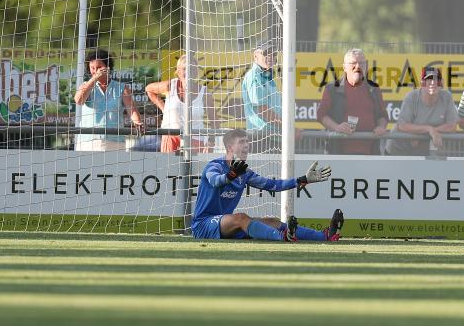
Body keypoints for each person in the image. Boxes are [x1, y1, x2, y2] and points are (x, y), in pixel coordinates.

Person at [190, 128, 344, 242]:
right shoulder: (214, 166)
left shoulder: (244, 173)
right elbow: (215, 180)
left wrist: (302, 179)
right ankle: (283, 237)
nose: (247, 145)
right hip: (203, 225)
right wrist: (231, 175)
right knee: (241, 218)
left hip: (224, 224)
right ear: (230, 147)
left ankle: (325, 236)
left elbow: (272, 185)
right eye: (242, 142)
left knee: (272, 221)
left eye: (247, 141)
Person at [318, 48, 388, 155]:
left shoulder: (374, 89)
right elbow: (321, 115)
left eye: (362, 63)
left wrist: (381, 127)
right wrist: (337, 127)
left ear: (366, 66)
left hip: (370, 153)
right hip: (339, 153)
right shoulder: (332, 88)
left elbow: (383, 116)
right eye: (353, 63)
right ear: (344, 67)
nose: (358, 67)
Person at [145, 55, 218, 153]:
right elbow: (149, 89)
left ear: (196, 72)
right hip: (171, 137)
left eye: (192, 69)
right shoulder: (170, 86)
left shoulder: (205, 92)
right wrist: (164, 108)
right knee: (168, 167)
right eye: (184, 69)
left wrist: (211, 142)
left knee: (195, 168)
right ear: (178, 72)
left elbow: (215, 121)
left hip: (195, 138)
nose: (188, 72)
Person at [73, 49, 143, 151]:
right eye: (92, 68)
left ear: (108, 67)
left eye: (99, 67)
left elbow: (131, 109)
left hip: (115, 141)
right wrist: (93, 79)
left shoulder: (122, 87)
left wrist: (138, 122)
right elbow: (79, 100)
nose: (96, 71)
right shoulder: (85, 85)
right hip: (88, 141)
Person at [385, 67, 459, 156]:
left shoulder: (447, 97)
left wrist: (432, 131)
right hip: (398, 148)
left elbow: (452, 126)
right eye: (428, 80)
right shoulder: (411, 97)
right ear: (422, 83)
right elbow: (402, 125)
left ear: (442, 82)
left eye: (436, 79)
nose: (433, 83)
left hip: (421, 148)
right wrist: (429, 129)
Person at [240, 42, 282, 152]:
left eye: (273, 54)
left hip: (270, 137)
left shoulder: (267, 75)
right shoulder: (255, 76)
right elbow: (263, 110)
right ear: (255, 56)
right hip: (261, 138)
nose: (271, 57)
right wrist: (288, 127)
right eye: (266, 53)